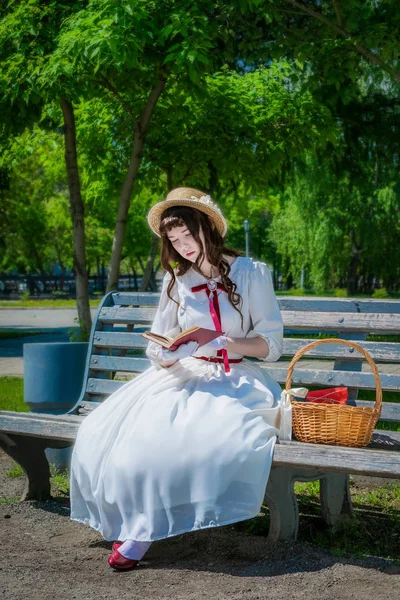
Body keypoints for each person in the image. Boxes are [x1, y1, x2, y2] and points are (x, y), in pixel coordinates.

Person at [70, 187, 284, 571]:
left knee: (189, 438)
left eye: (188, 235)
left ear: (208, 228)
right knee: (111, 431)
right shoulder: (177, 281)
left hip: (235, 376)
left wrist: (220, 340)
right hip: (186, 374)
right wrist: (167, 354)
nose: (183, 246)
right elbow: (158, 339)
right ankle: (135, 520)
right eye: (173, 240)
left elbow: (271, 345)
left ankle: (141, 534)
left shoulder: (251, 273)